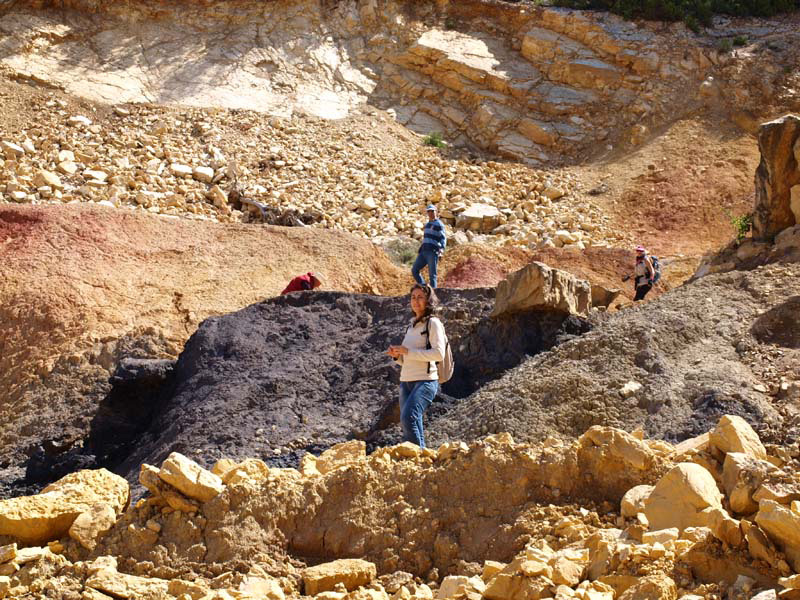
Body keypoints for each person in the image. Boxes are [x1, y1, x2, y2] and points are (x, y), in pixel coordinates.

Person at [386, 284, 446, 448]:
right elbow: (408, 358)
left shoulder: (433, 323)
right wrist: (397, 356)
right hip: (406, 381)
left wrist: (408, 351)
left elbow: (439, 354)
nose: (416, 301)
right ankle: (419, 456)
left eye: (420, 297)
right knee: (409, 421)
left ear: (428, 301)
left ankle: (415, 457)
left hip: (425, 381)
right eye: (413, 297)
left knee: (408, 418)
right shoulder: (411, 325)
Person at [411, 204, 446, 289]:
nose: (430, 213)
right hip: (423, 251)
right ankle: (424, 288)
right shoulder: (427, 225)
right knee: (414, 270)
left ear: (436, 212)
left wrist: (441, 250)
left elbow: (443, 238)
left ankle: (433, 293)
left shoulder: (439, 224)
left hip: (432, 252)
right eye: (429, 211)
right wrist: (420, 249)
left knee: (432, 275)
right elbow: (426, 238)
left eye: (432, 211)